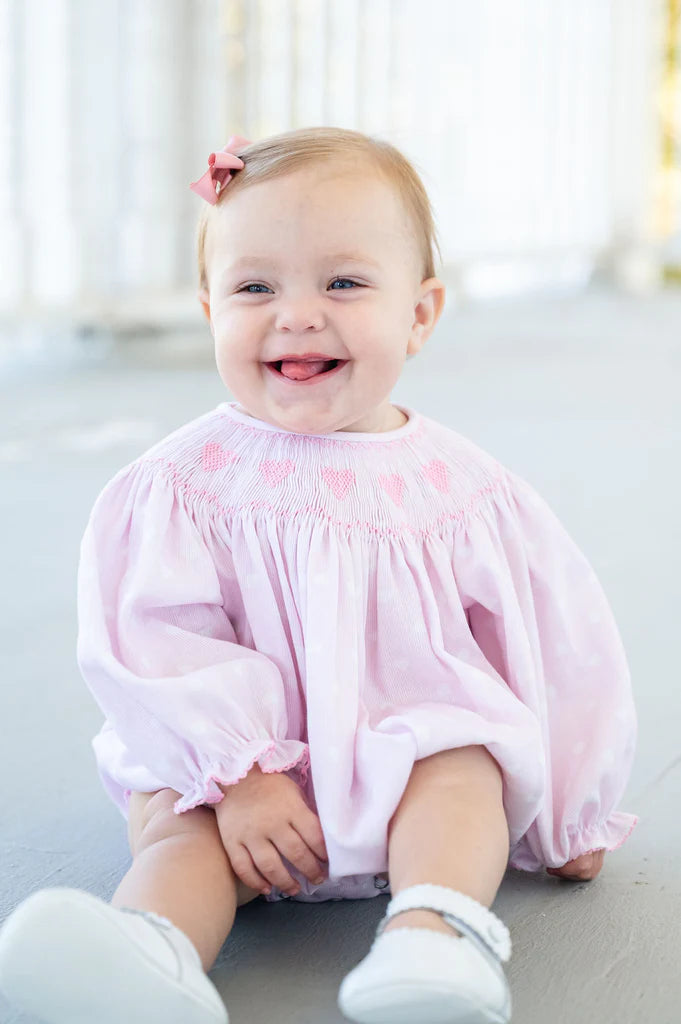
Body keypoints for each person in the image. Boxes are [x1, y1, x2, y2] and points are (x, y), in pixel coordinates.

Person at [0, 127, 638, 1024]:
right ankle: (146, 951)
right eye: (255, 286)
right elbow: (151, 642)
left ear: (419, 314)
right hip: (233, 786)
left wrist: (571, 812)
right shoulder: (181, 487)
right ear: (209, 307)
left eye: (342, 282)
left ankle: (431, 938)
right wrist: (238, 769)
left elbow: (551, 644)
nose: (295, 314)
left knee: (462, 765)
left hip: (397, 753)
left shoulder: (461, 491)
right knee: (174, 823)